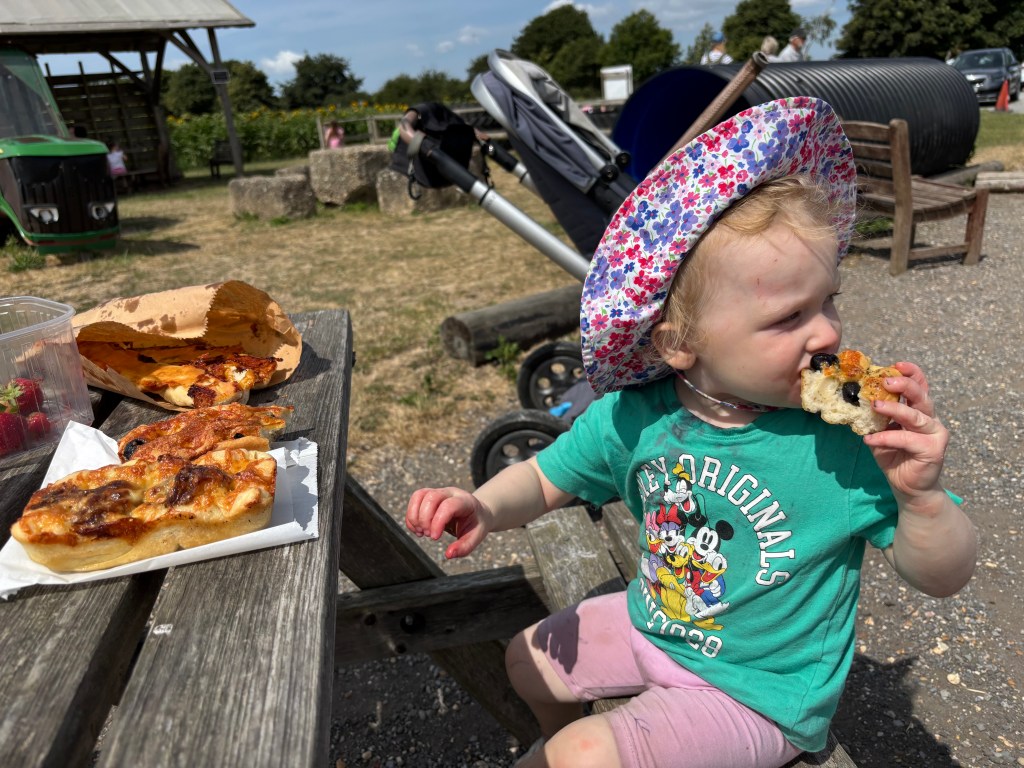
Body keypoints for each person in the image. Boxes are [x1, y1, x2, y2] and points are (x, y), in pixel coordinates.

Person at [405, 97, 977, 768]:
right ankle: (556, 740)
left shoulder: (848, 444)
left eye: (829, 301)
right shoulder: (639, 415)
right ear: (681, 345)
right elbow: (542, 476)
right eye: (788, 316)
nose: (826, 332)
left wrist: (921, 499)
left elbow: (940, 575)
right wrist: (483, 506)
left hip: (762, 693)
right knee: (525, 656)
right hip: (661, 622)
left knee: (584, 754)